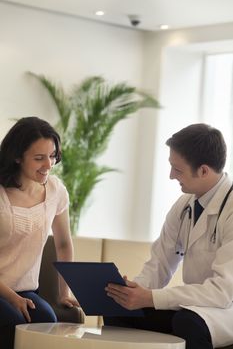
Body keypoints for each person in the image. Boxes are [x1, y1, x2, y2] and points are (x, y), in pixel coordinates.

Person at [105, 123, 233, 349]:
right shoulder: (185, 205)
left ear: (203, 170)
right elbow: (159, 264)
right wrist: (131, 293)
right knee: (120, 313)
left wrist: (151, 298)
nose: (171, 175)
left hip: (225, 309)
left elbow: (221, 292)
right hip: (195, 305)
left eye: (178, 169)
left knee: (188, 323)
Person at [0, 116, 79, 348]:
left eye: (52, 156)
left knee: (46, 320)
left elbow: (63, 244)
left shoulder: (55, 191)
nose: (49, 164)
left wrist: (64, 293)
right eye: (39, 158)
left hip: (25, 289)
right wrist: (12, 298)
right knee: (12, 321)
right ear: (17, 157)